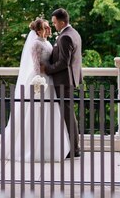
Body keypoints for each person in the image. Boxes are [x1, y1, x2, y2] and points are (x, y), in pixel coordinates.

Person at [0, 18, 70, 162]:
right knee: (35, 113)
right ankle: (32, 148)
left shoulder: (47, 42)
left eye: (49, 26)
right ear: (38, 31)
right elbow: (36, 65)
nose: (49, 29)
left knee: (50, 113)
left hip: (48, 79)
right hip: (39, 80)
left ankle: (49, 147)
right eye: (45, 27)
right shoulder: (36, 44)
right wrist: (39, 81)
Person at [42, 8, 83, 158]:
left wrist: (47, 69)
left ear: (62, 22)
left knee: (68, 115)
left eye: (54, 23)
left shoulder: (65, 37)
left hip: (64, 81)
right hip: (70, 80)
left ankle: (74, 149)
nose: (53, 26)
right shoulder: (75, 33)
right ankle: (72, 146)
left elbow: (63, 63)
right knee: (68, 114)